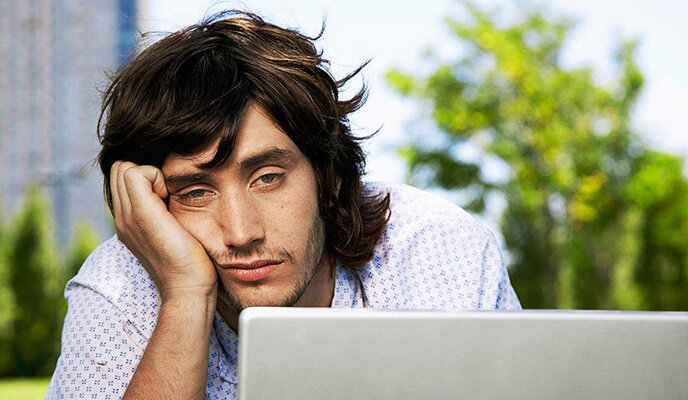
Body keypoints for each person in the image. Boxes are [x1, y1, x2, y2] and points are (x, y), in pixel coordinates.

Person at [46, 10, 520, 400]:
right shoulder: (118, 285)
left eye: (268, 178)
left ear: (329, 176)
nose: (241, 232)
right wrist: (186, 294)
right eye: (196, 192)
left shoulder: (440, 252)